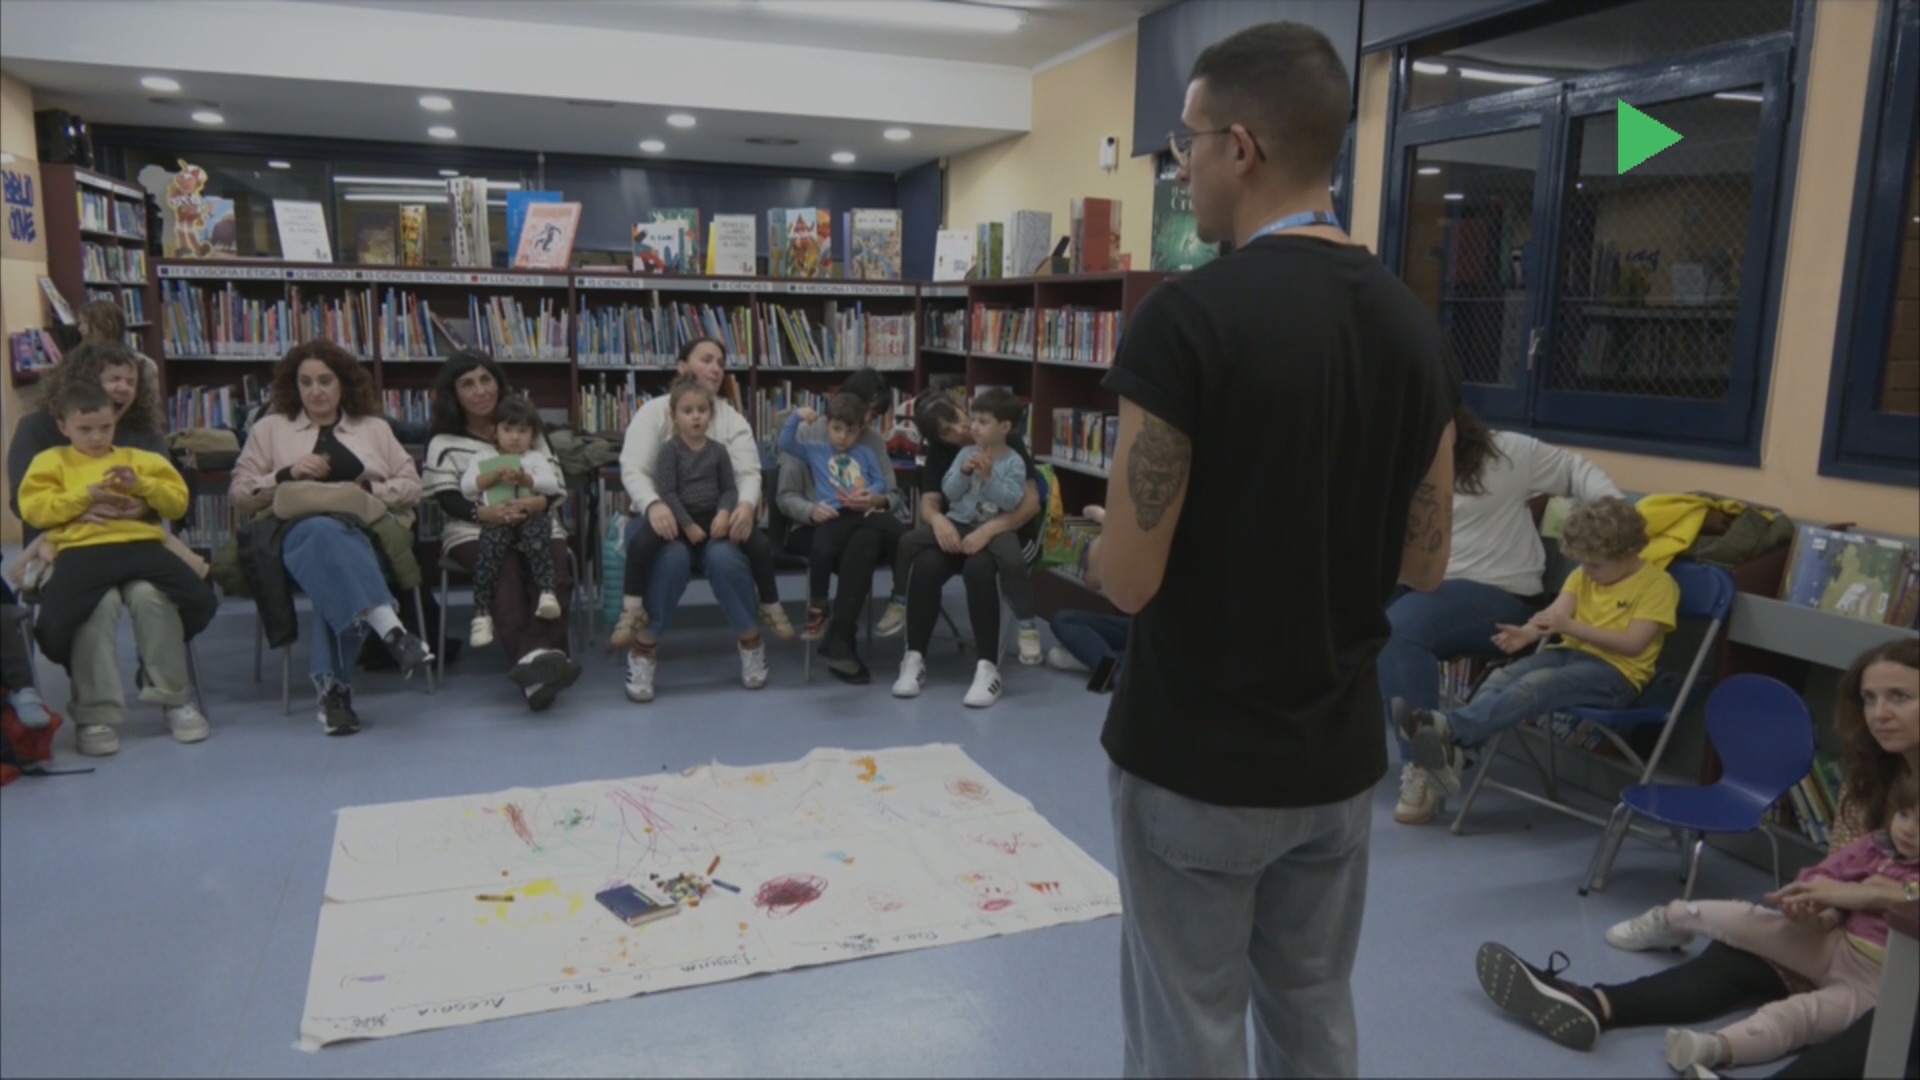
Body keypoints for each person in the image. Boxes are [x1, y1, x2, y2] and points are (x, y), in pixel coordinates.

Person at [1086, 23, 1455, 1076]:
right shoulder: (1414, 328)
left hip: (1196, 758)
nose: (1182, 167)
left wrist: (1112, 543)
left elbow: (1128, 579)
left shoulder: (1185, 321)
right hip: (1335, 759)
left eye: (1186, 142)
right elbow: (1426, 562)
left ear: (1240, 147)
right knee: (1313, 1011)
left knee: (1189, 1031)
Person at [1474, 638, 1920, 1068]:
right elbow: (1844, 869)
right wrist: (1821, 909)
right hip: (1851, 944)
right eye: (1869, 699)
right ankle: (1595, 1002)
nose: (1879, 713)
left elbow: (1869, 891)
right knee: (1734, 956)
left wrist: (1874, 896)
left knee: (1880, 1030)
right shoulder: (1868, 778)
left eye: (1899, 697)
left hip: (1903, 972)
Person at [1382, 403, 1621, 824]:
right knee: (1340, 617)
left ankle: (1424, 767)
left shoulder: (1507, 452)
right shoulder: (1401, 465)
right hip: (1425, 585)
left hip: (1499, 591)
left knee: (1399, 631)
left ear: (1453, 427)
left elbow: (1575, 470)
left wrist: (1617, 515)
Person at [1609, 775, 1914, 1073]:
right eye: (1904, 814)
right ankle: (1674, 917)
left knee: (1797, 1017)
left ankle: (1715, 1047)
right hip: (1835, 945)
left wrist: (1868, 895)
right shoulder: (1876, 847)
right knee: (1753, 919)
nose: (1909, 830)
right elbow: (1826, 875)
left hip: (1875, 984)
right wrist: (1815, 901)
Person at [1396, 496, 1676, 800]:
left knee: (1535, 685)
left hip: (1616, 674)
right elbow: (1555, 614)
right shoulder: (1583, 576)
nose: (1588, 572)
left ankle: (1448, 728)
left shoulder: (1658, 585)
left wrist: (1571, 627)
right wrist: (1527, 634)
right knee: (1501, 678)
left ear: (1630, 551)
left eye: (1595, 565)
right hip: (1568, 655)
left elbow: (1633, 645)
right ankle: (1461, 755)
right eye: (1583, 563)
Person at [229, 340, 433, 735]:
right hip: (291, 531)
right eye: (305, 382)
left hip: (364, 529)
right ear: (294, 386)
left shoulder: (373, 428)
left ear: (344, 383)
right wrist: (285, 474)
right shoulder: (269, 429)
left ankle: (334, 691)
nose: (316, 391)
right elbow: (239, 494)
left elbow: (412, 486)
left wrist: (370, 491)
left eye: (325, 381)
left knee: (330, 564)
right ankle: (391, 630)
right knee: (323, 537)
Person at [6, 341, 199, 756]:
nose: (124, 387)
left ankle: (173, 696)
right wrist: (81, 508)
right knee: (98, 604)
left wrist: (141, 503)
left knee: (153, 597)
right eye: (113, 378)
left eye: (131, 380)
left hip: (135, 540)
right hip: (64, 543)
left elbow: (171, 494)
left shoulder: (142, 433)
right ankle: (95, 712)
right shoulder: (38, 429)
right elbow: (25, 504)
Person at [422, 349, 580, 712]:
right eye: (468, 384)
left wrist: (536, 503)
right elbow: (447, 498)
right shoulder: (443, 442)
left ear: (498, 383)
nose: (480, 391)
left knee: (554, 564)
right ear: (453, 394)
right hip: (474, 528)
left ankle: (535, 661)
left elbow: (554, 485)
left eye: (486, 380)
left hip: (535, 520)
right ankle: (541, 665)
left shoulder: (527, 431)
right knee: (504, 572)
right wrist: (486, 514)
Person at [615, 336, 770, 702]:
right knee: (671, 559)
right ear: (682, 367)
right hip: (662, 522)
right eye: (706, 359)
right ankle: (643, 650)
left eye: (721, 362)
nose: (716, 368)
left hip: (716, 520)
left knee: (725, 558)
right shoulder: (654, 413)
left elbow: (748, 473)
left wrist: (745, 506)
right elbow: (634, 469)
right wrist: (654, 504)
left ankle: (751, 642)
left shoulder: (732, 419)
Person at [890, 388, 1047, 708]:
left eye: (958, 419)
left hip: (1003, 531)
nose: (962, 430)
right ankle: (914, 657)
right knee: (926, 565)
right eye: (946, 432)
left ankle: (987, 667)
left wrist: (988, 528)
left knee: (979, 569)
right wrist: (939, 521)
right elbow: (933, 501)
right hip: (959, 527)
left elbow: (1027, 503)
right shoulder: (948, 453)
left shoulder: (1009, 447)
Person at [612, 378, 788, 647]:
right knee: (639, 544)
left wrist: (725, 512)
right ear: (674, 417)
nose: (696, 417)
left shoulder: (718, 451)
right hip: (678, 517)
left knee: (761, 545)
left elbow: (729, 488)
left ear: (710, 415)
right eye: (688, 411)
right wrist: (688, 525)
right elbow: (667, 493)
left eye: (702, 411)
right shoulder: (669, 451)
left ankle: (770, 605)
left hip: (712, 516)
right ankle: (632, 610)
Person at [773, 368, 907, 683]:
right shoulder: (810, 435)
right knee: (868, 539)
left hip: (860, 521)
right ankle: (840, 640)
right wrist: (812, 511)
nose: (868, 421)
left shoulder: (871, 440)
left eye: (873, 416)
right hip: (815, 527)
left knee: (865, 538)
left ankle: (840, 640)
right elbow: (785, 496)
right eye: (868, 411)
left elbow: (893, 495)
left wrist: (875, 501)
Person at [779, 394, 891, 636]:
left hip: (858, 515)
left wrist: (869, 494)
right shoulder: (815, 449)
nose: (842, 436)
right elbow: (785, 443)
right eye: (837, 429)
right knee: (826, 548)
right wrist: (797, 416)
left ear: (861, 429)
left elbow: (882, 484)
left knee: (879, 535)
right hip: (828, 517)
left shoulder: (866, 451)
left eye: (850, 431)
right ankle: (820, 608)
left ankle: (893, 600)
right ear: (827, 424)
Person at [458, 396, 565, 650]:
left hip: (530, 516)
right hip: (498, 519)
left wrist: (526, 479)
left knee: (540, 542)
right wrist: (494, 475)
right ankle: (482, 615)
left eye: (523, 431)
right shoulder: (482, 457)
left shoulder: (535, 458)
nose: (515, 437)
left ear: (533, 435)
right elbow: (467, 488)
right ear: (494, 431)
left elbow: (552, 485)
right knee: (488, 554)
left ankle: (546, 593)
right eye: (508, 429)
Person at [1045, 506, 1130, 693]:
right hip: (1136, 628)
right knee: (1063, 620)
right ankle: (1114, 667)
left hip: (1166, 639)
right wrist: (1108, 533)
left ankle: (1108, 667)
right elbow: (1092, 581)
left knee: (1058, 656)